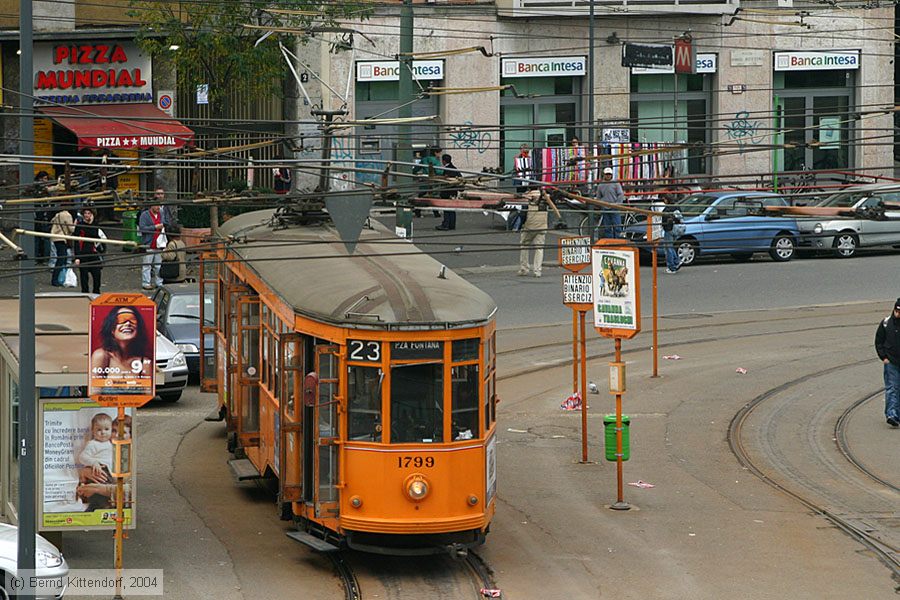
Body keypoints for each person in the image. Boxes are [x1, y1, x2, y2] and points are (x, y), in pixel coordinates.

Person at [91, 306, 153, 378]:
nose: (128, 324)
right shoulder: (101, 356)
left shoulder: (145, 364)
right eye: (121, 319)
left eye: (133, 320)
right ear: (112, 329)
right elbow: (94, 385)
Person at [875, 298, 900, 427]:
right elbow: (879, 341)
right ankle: (891, 414)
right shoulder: (886, 323)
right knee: (892, 388)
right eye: (897, 311)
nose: (898, 314)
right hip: (891, 361)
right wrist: (884, 357)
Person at [73, 206, 106, 294]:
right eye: (85, 213)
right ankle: (85, 293)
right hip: (83, 253)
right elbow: (76, 242)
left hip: (93, 252)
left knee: (97, 275)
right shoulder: (79, 226)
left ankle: (96, 293)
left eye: (89, 213)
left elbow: (95, 235)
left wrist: (91, 222)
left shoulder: (95, 225)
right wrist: (77, 257)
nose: (87, 215)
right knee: (84, 277)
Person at [518, 187, 549, 278]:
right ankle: (537, 270)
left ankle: (524, 268)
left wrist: (521, 225)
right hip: (542, 225)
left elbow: (523, 213)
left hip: (529, 226)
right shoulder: (546, 196)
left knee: (524, 245)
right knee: (539, 248)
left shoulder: (528, 196)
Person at [139, 202, 170, 290]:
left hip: (160, 244)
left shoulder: (161, 214)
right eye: (156, 205)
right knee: (147, 265)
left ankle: (159, 283)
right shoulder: (145, 215)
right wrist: (155, 227)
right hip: (149, 244)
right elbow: (142, 228)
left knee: (158, 265)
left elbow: (166, 223)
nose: (158, 207)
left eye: (159, 206)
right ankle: (146, 283)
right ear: (151, 206)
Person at [596, 166, 626, 239]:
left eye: (609, 174)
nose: (608, 176)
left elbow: (620, 194)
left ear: (611, 175)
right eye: (607, 174)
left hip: (614, 208)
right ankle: (609, 240)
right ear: (604, 175)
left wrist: (617, 204)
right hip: (605, 208)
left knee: (617, 226)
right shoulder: (600, 185)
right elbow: (598, 197)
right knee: (607, 227)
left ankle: (618, 240)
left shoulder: (616, 184)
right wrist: (602, 204)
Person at [49, 206, 75, 287]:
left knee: (60, 258)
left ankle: (58, 277)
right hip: (61, 238)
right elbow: (71, 229)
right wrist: (75, 224)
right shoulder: (67, 215)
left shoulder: (58, 214)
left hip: (55, 237)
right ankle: (56, 279)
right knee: (61, 258)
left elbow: (52, 221)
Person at [436, 154, 460, 231]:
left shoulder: (447, 169)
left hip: (447, 192)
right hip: (453, 192)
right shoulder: (454, 168)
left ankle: (445, 225)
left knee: (446, 209)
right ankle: (452, 225)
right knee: (452, 209)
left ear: (444, 161)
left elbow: (445, 180)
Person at [660, 193, 683, 274]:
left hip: (669, 229)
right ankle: (677, 261)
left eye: (664, 199)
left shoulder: (667, 209)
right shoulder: (677, 207)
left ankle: (672, 266)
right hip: (677, 229)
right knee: (671, 246)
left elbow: (664, 221)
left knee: (668, 248)